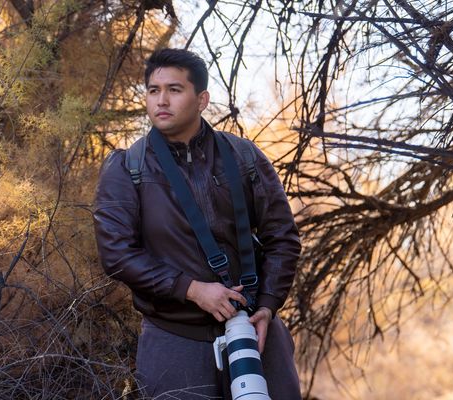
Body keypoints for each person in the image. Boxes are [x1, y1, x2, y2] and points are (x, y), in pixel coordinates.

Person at [93, 48, 302, 399]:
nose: (162, 100)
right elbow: (116, 255)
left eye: (174, 90)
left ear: (202, 99)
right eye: (153, 90)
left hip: (255, 330)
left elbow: (283, 238)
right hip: (175, 339)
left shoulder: (244, 155)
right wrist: (192, 290)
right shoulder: (127, 168)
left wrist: (267, 304)